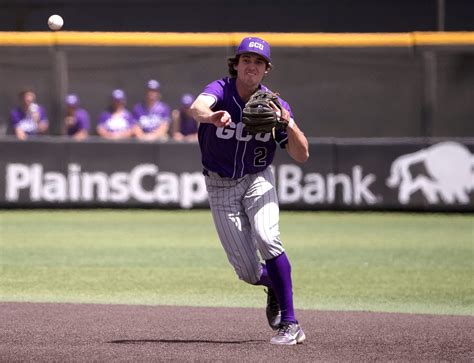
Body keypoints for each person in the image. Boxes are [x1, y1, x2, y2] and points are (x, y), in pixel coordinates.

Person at [189, 37, 309, 345]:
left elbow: (302, 154)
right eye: (246, 60)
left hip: (258, 179)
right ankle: (273, 286)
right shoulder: (222, 89)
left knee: (268, 238)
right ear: (236, 64)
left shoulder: (275, 104)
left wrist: (289, 125)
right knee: (247, 271)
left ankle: (291, 323)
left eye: (258, 62)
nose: (251, 66)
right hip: (220, 185)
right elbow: (196, 107)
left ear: (266, 69)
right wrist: (212, 116)